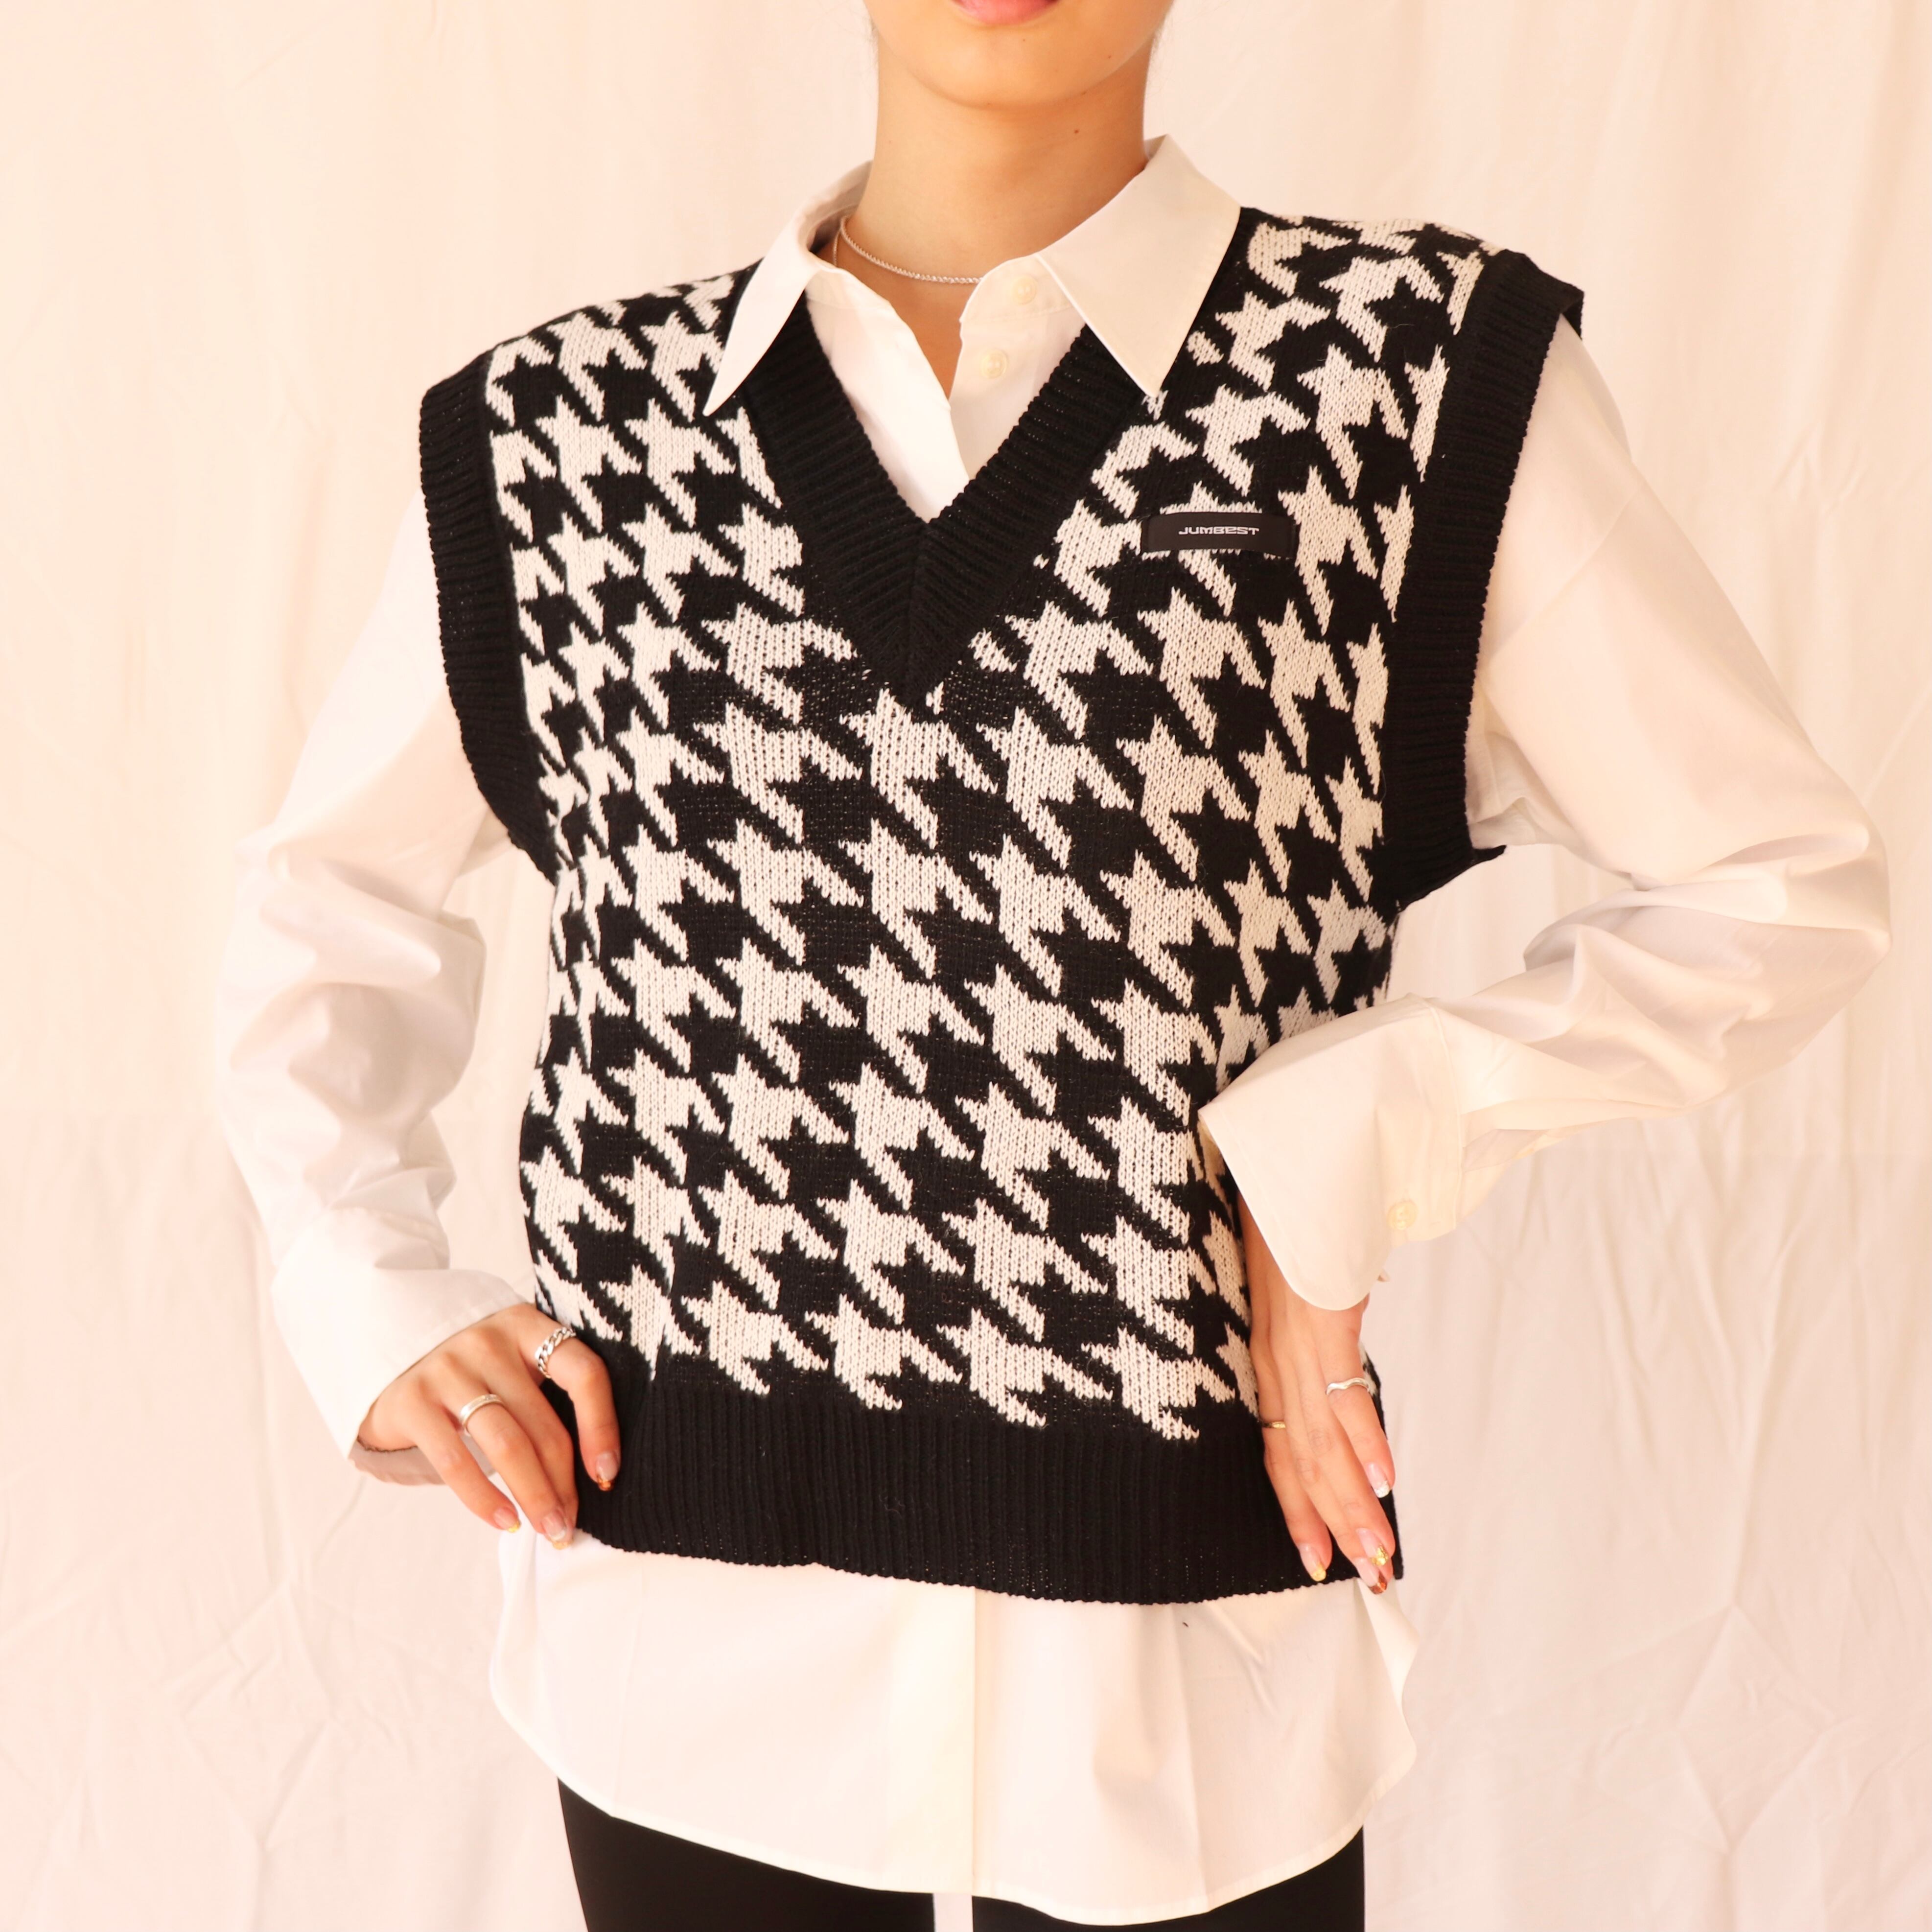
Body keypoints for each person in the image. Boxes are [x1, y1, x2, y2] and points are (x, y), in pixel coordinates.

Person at [213, 0, 1889, 1926]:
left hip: (1185, 1697)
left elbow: (1778, 884)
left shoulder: (1408, 389)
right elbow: (325, 908)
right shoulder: (563, 441)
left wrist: (1349, 1132)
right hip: (684, 1663)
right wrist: (364, 1291)